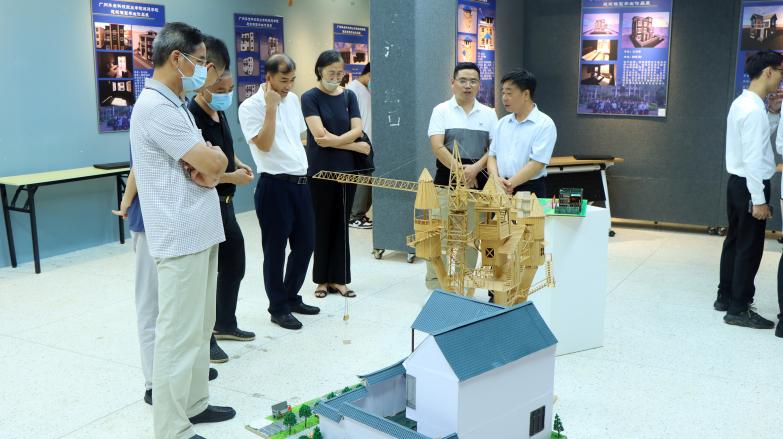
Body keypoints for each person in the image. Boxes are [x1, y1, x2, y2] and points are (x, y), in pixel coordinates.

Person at [130, 22, 234, 439]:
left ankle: (194, 403)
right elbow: (212, 164)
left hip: (200, 228)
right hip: (179, 233)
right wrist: (213, 160)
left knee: (199, 327)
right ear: (177, 59)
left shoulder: (176, 104)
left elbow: (211, 166)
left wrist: (211, 162)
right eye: (201, 61)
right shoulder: (156, 108)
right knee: (176, 334)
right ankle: (171, 428)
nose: (205, 71)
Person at [238, 54, 321, 330]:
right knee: (275, 250)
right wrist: (271, 108)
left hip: (300, 183)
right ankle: (278, 307)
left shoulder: (293, 100)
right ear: (269, 77)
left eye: (292, 80)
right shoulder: (250, 107)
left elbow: (297, 137)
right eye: (283, 80)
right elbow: (263, 144)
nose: (288, 86)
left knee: (306, 244)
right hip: (274, 186)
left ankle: (291, 296)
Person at [189, 36, 256, 361]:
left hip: (226, 205)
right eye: (219, 90)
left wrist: (237, 162)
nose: (225, 95)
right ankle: (206, 339)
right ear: (205, 85)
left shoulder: (219, 112)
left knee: (234, 265)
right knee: (207, 277)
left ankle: (225, 323)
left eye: (229, 89)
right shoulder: (192, 115)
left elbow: (224, 151)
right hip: (207, 202)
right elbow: (199, 168)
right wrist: (232, 177)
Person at [716, 50, 781, 331]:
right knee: (749, 248)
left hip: (737, 183)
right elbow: (755, 159)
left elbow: (759, 142)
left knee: (734, 242)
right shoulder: (753, 110)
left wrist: (773, 112)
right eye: (780, 72)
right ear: (768, 71)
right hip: (750, 185)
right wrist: (759, 200)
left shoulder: (743, 103)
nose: (780, 80)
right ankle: (739, 308)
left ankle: (725, 296)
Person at [302, 49, 370, 299]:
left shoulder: (349, 96)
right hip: (320, 170)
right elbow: (320, 137)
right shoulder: (310, 97)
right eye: (331, 73)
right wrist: (354, 146)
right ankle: (321, 280)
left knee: (341, 223)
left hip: (346, 170)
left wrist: (335, 141)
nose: (336, 77)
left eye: (340, 73)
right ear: (320, 71)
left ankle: (339, 280)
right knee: (321, 224)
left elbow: (358, 129)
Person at [424, 62, 498, 291]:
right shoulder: (441, 110)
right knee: (440, 235)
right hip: (445, 184)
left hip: (477, 186)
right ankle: (437, 286)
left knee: (470, 238)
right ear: (453, 83)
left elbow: (494, 149)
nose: (468, 85)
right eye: (463, 80)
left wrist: (475, 169)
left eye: (473, 81)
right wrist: (461, 171)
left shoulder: (489, 114)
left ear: (479, 84)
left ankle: (463, 285)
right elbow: (437, 146)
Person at [487, 69, 556, 198]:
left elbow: (537, 163)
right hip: (500, 187)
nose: (504, 98)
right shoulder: (502, 123)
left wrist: (508, 185)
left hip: (529, 189)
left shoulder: (544, 124)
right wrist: (495, 180)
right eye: (503, 93)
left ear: (525, 94)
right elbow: (492, 156)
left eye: (509, 93)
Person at [346, 63, 373, 229]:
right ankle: (355, 216)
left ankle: (360, 214)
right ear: (370, 74)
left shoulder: (366, 90)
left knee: (368, 179)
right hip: (360, 141)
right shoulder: (352, 89)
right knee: (363, 178)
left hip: (369, 142)